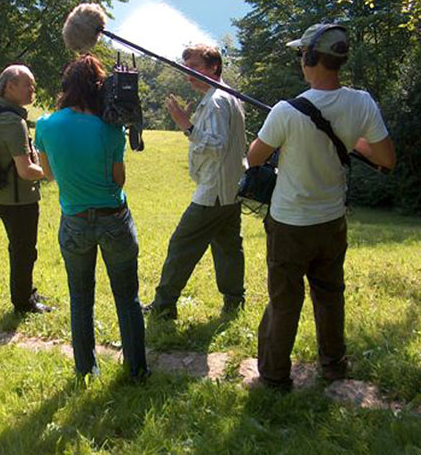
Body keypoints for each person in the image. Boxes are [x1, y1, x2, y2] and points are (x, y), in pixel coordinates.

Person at [247, 24, 396, 390]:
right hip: (332, 222)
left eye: (302, 54)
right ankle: (333, 366)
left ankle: (275, 376)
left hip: (290, 225)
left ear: (311, 58)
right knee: (330, 295)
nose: (301, 60)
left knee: (284, 300)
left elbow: (254, 158)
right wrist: (349, 142)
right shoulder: (362, 103)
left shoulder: (285, 111)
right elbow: (386, 159)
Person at [34, 54, 149, 381]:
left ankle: (86, 370)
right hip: (114, 218)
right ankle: (137, 371)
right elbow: (118, 180)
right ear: (100, 88)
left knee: (80, 298)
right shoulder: (109, 130)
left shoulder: (45, 125)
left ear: (67, 88)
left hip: (74, 222)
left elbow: (47, 174)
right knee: (127, 298)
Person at [143, 44, 247, 320]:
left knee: (182, 245)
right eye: (185, 67)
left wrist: (185, 125)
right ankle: (234, 302)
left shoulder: (216, 101)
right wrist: (192, 123)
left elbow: (216, 146)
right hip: (231, 189)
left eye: (195, 67)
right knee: (228, 246)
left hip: (214, 190)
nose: (188, 73)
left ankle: (164, 306)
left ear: (214, 67)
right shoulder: (228, 96)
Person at [0, 64, 52, 314]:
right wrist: (52, 173)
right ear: (10, 86)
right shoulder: (12, 121)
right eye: (28, 84)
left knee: (19, 248)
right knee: (24, 251)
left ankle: (25, 292)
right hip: (18, 200)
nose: (32, 89)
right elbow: (25, 171)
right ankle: (24, 303)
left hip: (1, 195)